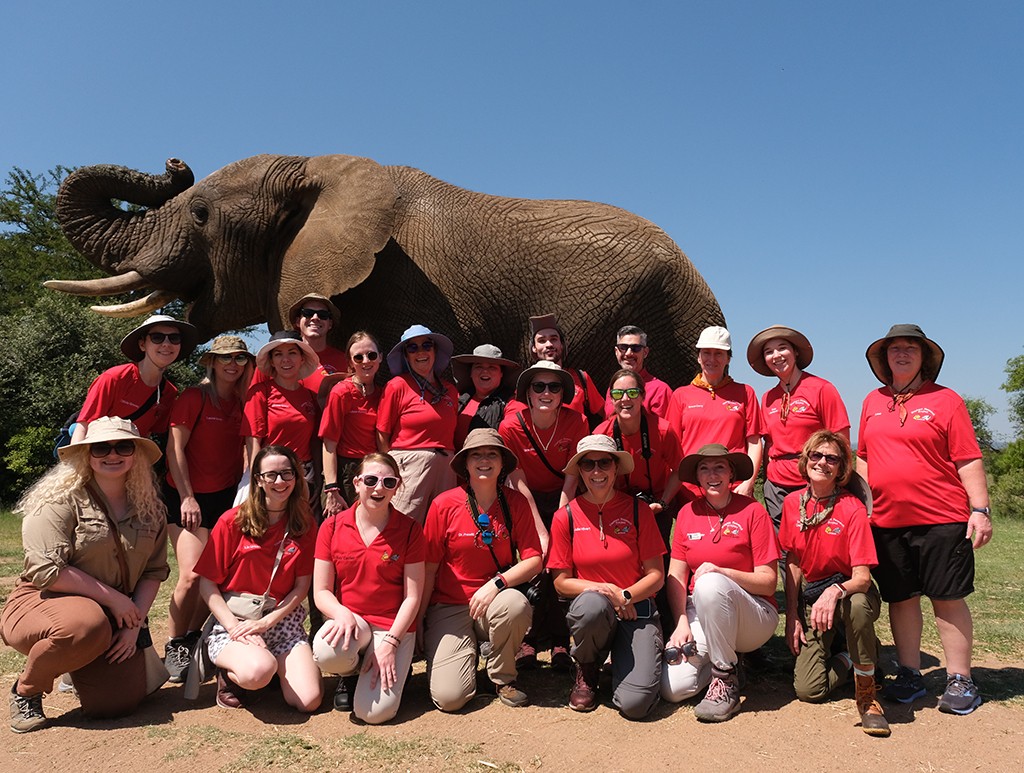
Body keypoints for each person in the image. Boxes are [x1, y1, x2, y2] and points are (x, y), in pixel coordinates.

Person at [857, 324, 992, 715]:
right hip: (885, 520)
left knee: (947, 599)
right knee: (902, 599)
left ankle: (960, 679)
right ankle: (911, 675)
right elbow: (862, 455)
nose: (901, 353)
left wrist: (980, 510)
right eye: (894, 348)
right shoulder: (871, 401)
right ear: (884, 359)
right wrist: (862, 503)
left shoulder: (947, 400)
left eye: (910, 349)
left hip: (943, 519)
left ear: (923, 357)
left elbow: (967, 456)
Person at [2, 417, 168, 732]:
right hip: (41, 601)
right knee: (84, 626)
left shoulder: (150, 508)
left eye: (123, 446)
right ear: (85, 454)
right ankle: (27, 689)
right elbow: (45, 571)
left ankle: (77, 664)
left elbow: (153, 571)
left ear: (136, 454)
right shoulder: (58, 500)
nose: (112, 454)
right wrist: (116, 600)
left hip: (110, 615)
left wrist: (133, 626)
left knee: (116, 704)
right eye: (101, 447)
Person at [420, 429, 543, 710]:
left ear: (502, 464)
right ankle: (467, 653)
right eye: (476, 454)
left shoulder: (515, 502)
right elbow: (428, 568)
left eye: (492, 454)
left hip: (494, 602)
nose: (484, 460)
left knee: (516, 604)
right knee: (450, 699)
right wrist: (419, 618)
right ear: (465, 463)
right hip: (449, 605)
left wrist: (496, 584)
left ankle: (502, 677)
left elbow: (534, 559)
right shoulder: (444, 504)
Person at [194, 445, 322, 712]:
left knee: (308, 701)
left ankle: (272, 664)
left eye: (287, 474)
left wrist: (268, 622)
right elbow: (207, 583)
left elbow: (301, 587)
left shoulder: (304, 523)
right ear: (258, 480)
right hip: (237, 621)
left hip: (280, 619)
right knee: (258, 671)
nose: (280, 481)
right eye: (271, 475)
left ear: (296, 478)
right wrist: (232, 626)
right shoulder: (232, 521)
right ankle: (230, 676)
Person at [548, 435, 666, 719]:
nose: (597, 471)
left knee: (635, 705)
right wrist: (608, 591)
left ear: (616, 468)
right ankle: (587, 669)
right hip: (595, 612)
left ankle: (620, 667)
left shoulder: (639, 511)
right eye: (588, 465)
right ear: (580, 471)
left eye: (604, 463)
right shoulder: (566, 516)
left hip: (636, 612)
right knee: (591, 605)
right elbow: (560, 581)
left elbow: (657, 575)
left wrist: (626, 595)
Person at [781, 431, 890, 736]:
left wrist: (835, 590)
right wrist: (793, 616)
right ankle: (853, 657)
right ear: (806, 460)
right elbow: (792, 563)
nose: (823, 463)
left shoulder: (852, 507)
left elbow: (863, 578)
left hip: (851, 593)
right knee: (809, 689)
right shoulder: (792, 504)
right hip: (816, 599)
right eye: (816, 455)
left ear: (841, 468)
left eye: (832, 458)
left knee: (855, 606)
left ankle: (867, 697)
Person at [661, 444, 779, 722]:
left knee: (710, 582)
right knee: (673, 689)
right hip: (702, 614)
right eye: (704, 468)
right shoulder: (689, 513)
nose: (712, 475)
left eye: (719, 468)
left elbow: (769, 583)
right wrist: (680, 621)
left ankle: (725, 679)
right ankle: (731, 666)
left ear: (731, 475)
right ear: (697, 478)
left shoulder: (753, 511)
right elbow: (676, 576)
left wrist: (723, 573)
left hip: (754, 616)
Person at [163, 335, 254, 683]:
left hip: (225, 497)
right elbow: (175, 451)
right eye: (225, 358)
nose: (232, 364)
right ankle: (173, 643)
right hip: (186, 496)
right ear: (212, 362)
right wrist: (187, 497)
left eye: (240, 359)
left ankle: (191, 638)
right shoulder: (194, 397)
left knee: (218, 577)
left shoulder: (243, 402)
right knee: (191, 575)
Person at [311, 453, 424, 723]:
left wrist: (391, 644)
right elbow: (321, 591)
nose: (378, 488)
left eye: (388, 482)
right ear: (357, 483)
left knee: (372, 714)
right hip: (353, 622)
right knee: (327, 652)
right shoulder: (332, 526)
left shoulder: (410, 530)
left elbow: (412, 597)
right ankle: (349, 674)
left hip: (392, 628)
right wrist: (341, 613)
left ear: (397, 487)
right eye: (371, 480)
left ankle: (393, 666)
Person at [498, 361, 587, 670]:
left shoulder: (577, 422)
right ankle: (529, 638)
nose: (546, 393)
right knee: (533, 559)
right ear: (528, 393)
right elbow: (517, 479)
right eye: (539, 387)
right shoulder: (511, 426)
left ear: (563, 393)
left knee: (563, 563)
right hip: (525, 499)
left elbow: (573, 475)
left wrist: (561, 516)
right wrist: (540, 527)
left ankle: (561, 638)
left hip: (564, 495)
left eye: (554, 387)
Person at [594, 368, 684, 628]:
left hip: (655, 504)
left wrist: (664, 502)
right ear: (610, 399)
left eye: (632, 392)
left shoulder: (663, 429)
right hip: (616, 503)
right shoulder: (602, 432)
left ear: (643, 396)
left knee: (659, 564)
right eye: (618, 393)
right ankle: (620, 613)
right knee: (622, 561)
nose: (625, 399)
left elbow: (679, 469)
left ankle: (666, 623)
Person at [746, 325, 850, 530]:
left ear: (795, 352)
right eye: (768, 352)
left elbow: (841, 440)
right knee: (783, 547)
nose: (776, 355)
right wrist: (765, 482)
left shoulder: (822, 388)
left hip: (814, 482)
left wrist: (839, 482)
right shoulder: (768, 397)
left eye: (782, 348)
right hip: (776, 486)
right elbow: (769, 444)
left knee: (816, 542)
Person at [376, 324, 459, 525]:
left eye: (426, 345)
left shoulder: (450, 391)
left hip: (446, 466)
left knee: (444, 526)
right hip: (409, 466)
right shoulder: (397, 385)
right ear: (405, 355)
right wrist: (390, 472)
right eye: (412, 348)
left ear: (435, 351)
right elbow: (382, 434)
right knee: (403, 524)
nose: (420, 352)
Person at [72, 314, 200, 443]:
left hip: (128, 456)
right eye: (157, 338)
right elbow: (83, 426)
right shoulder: (115, 378)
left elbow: (146, 435)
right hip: (96, 453)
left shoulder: (169, 393)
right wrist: (75, 462)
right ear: (142, 344)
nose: (166, 344)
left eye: (174, 338)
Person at [667, 326, 762, 499]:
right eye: (706, 353)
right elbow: (672, 449)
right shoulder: (680, 395)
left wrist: (749, 482)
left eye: (719, 353)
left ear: (728, 358)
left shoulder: (745, 393)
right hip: (690, 491)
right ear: (698, 357)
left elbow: (754, 443)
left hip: (734, 487)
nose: (712, 359)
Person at [242, 330, 321, 509]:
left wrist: (317, 478)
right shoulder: (260, 393)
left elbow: (314, 442)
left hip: (303, 476)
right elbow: (253, 442)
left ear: (302, 358)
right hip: (271, 477)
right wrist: (258, 482)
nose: (286, 359)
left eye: (292, 353)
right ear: (271, 361)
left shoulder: (310, 397)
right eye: (278, 354)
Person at [320, 331, 383, 513]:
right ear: (350, 362)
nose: (365, 361)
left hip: (373, 468)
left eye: (371, 355)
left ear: (380, 357)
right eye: (358, 357)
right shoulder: (341, 392)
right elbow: (329, 443)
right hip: (347, 470)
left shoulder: (382, 393)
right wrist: (332, 488)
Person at [252, 293, 348, 394]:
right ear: (298, 321)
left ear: (330, 324)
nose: (315, 318)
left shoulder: (345, 361)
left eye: (323, 315)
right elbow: (255, 399)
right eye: (308, 313)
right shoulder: (272, 360)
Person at [525, 312, 605, 424]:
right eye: (542, 341)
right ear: (534, 348)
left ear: (561, 344)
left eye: (553, 339)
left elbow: (606, 412)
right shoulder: (527, 381)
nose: (549, 344)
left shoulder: (581, 378)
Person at [450, 343, 520, 449]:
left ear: (501, 374)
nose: (485, 371)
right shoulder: (457, 399)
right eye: (479, 366)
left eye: (492, 367)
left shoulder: (512, 402)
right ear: (471, 373)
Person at [602, 325, 673, 419]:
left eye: (635, 348)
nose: (628, 353)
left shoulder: (660, 390)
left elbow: (664, 431)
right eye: (623, 347)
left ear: (645, 352)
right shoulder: (613, 387)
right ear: (616, 351)